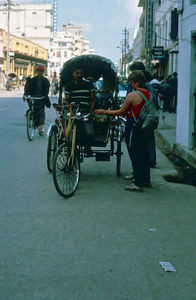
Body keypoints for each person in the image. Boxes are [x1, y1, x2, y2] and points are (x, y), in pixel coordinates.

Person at [95, 70, 152, 192]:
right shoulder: (148, 94)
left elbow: (121, 112)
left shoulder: (132, 95)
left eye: (131, 82)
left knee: (135, 154)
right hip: (145, 126)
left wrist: (104, 112)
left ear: (136, 82)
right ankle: (144, 179)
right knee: (142, 153)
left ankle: (137, 183)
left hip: (133, 126)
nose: (130, 84)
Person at [125, 61, 157, 172]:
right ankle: (140, 173)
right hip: (137, 119)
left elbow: (154, 103)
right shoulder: (131, 86)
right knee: (139, 149)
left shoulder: (147, 87)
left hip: (142, 121)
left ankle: (140, 175)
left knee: (140, 149)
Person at [60, 68, 95, 156]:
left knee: (89, 132)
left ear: (83, 75)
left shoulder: (89, 85)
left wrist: (90, 112)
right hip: (73, 110)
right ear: (73, 74)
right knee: (66, 132)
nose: (79, 75)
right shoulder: (69, 86)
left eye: (81, 73)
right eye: (77, 73)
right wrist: (70, 111)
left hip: (85, 111)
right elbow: (67, 100)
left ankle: (88, 147)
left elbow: (93, 99)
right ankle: (69, 146)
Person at [24, 65, 50, 135]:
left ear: (43, 72)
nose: (39, 73)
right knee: (31, 109)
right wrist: (25, 95)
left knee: (41, 112)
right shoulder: (32, 80)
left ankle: (40, 128)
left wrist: (44, 96)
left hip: (41, 98)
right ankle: (29, 115)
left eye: (41, 71)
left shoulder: (45, 81)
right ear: (36, 72)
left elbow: (47, 90)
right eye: (38, 71)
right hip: (33, 97)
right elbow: (27, 88)